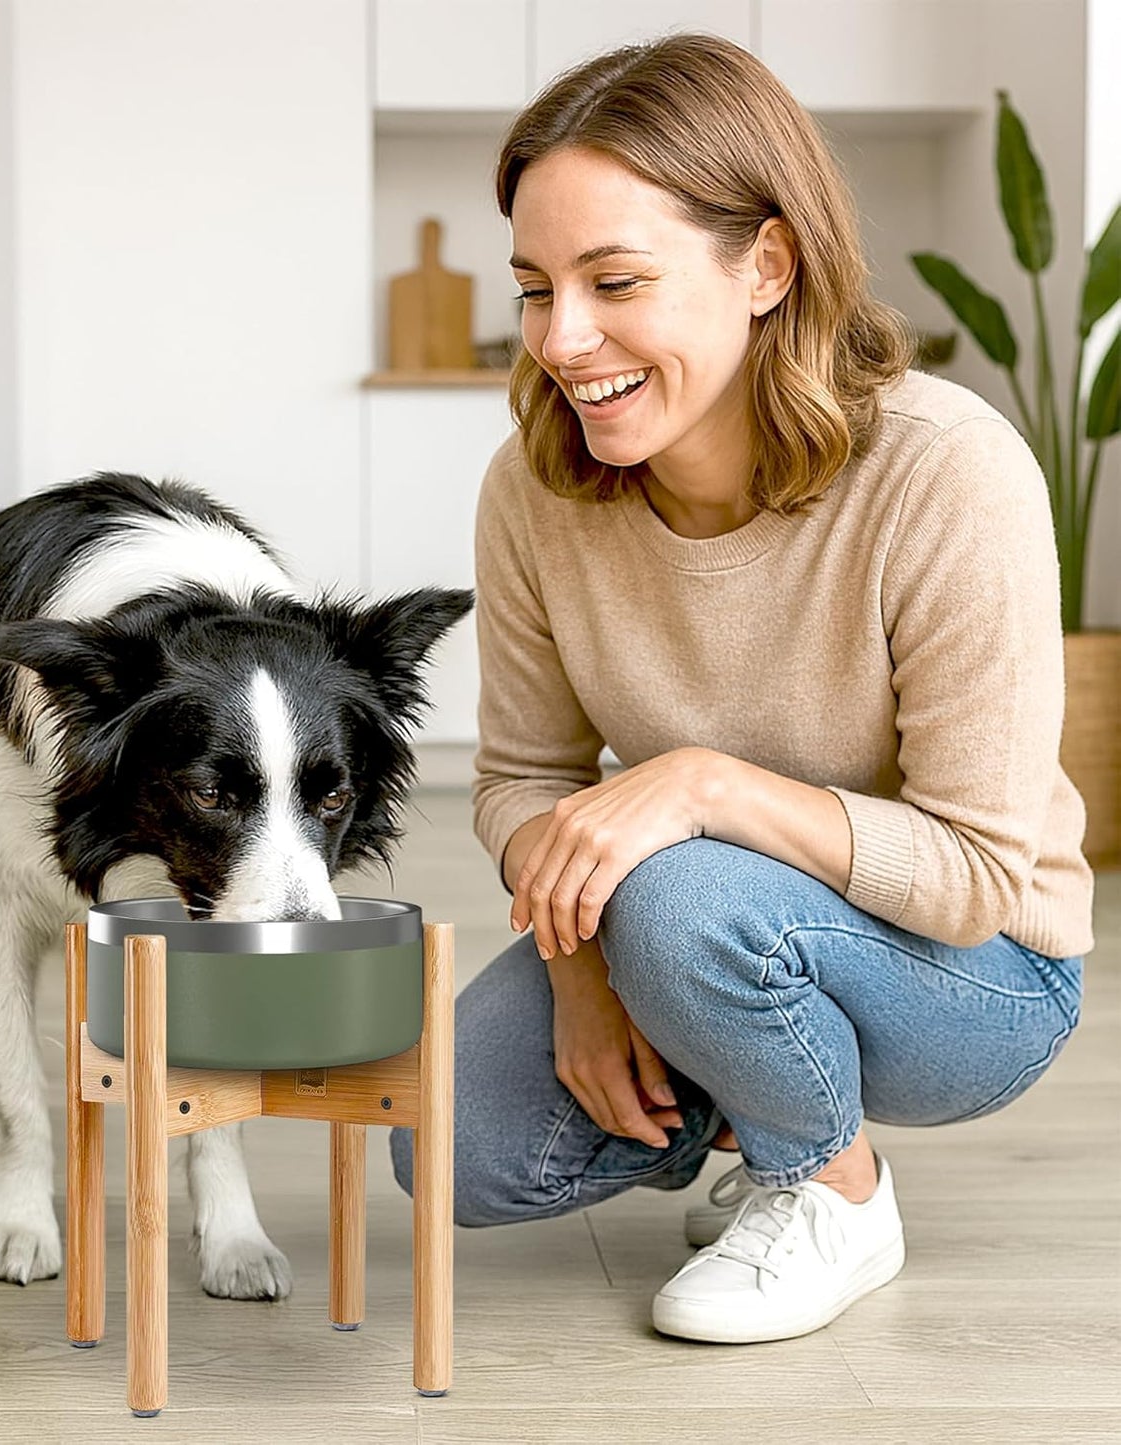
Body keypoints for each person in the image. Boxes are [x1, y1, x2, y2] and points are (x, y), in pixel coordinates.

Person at [390, 32, 1093, 1345]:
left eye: (613, 281)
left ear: (764, 265)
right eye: (535, 288)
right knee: (452, 1146)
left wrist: (698, 786)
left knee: (675, 883)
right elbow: (520, 782)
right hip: (694, 924)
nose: (561, 338)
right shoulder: (534, 486)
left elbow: (976, 873)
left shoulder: (945, 471)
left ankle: (829, 1192)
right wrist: (590, 969)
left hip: (977, 971)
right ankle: (763, 1094)